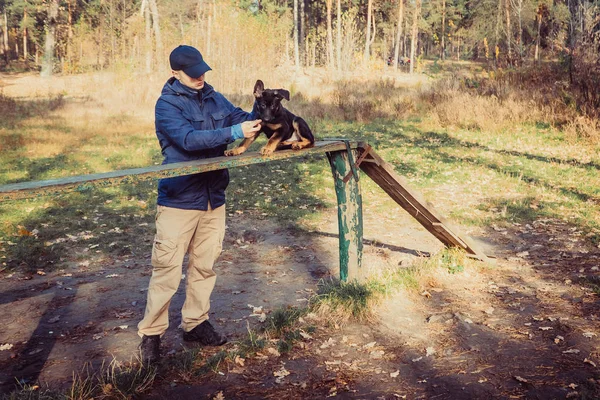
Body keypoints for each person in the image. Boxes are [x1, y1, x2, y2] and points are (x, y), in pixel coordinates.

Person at [137, 45, 262, 365]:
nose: (200, 77)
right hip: (179, 200)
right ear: (175, 73)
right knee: (166, 270)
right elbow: (189, 141)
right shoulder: (166, 106)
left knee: (205, 266)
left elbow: (244, 119)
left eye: (203, 71)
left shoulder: (213, 97)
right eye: (193, 73)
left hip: (213, 198)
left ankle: (195, 323)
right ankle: (151, 335)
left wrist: (263, 107)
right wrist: (235, 132)